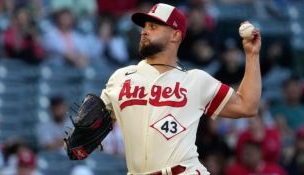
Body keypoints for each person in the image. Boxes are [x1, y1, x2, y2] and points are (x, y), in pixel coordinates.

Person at [100, 3, 261, 174]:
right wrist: (78, 140)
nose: (144, 31)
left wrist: (252, 56)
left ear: (175, 35)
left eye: (153, 27)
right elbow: (90, 128)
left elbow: (247, 106)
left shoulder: (195, 80)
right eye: (145, 26)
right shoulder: (120, 78)